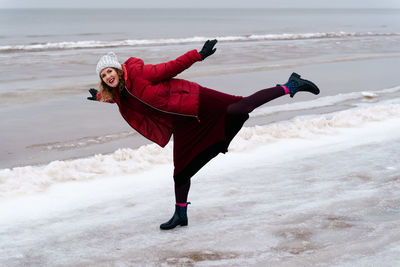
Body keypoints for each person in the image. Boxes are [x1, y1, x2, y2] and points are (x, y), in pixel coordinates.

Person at [87, 39, 320, 230]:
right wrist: (98, 97)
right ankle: (180, 214)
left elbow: (170, 67)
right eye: (104, 75)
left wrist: (198, 55)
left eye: (110, 70)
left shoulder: (139, 74)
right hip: (183, 123)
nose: (108, 76)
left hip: (196, 99)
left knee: (240, 107)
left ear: (117, 69)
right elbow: (126, 102)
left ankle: (291, 85)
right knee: (181, 172)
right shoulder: (120, 95)